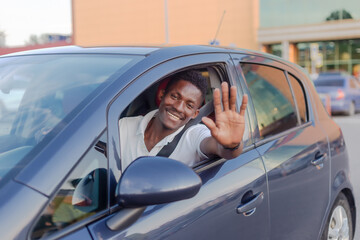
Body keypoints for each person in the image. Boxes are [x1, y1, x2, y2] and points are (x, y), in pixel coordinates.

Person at [119, 70, 248, 169]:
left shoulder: (194, 135)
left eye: (189, 105)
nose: (179, 108)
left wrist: (232, 146)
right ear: (161, 95)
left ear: (195, 113)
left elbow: (220, 149)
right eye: (175, 97)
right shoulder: (124, 126)